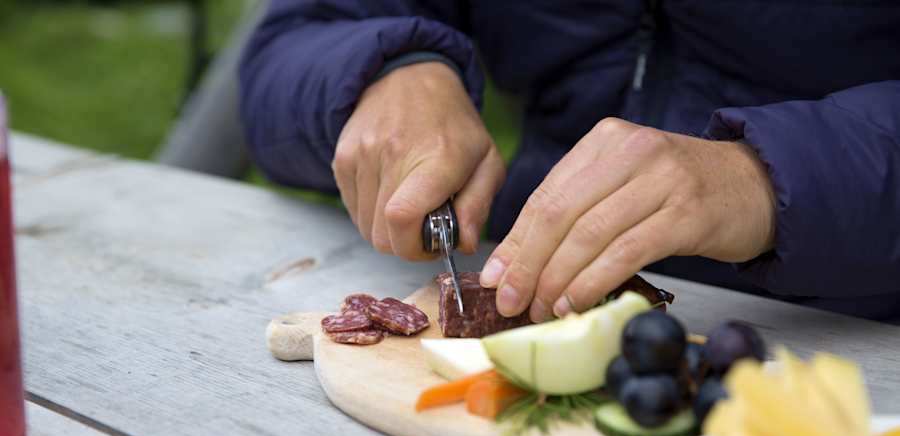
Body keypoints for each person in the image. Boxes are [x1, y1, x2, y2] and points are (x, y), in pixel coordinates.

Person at [239, 1, 900, 324]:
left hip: (845, 338)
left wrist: (768, 179)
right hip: (522, 284)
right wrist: (382, 70)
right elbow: (297, 39)